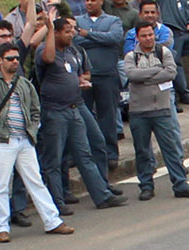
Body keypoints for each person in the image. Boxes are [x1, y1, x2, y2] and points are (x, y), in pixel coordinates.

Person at [0, 27, 73, 241]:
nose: (14, 62)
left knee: (35, 181)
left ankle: (52, 221)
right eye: (9, 58)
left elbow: (35, 110)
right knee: (1, 185)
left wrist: (32, 130)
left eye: (17, 58)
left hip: (24, 141)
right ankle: (1, 227)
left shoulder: (24, 84)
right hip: (2, 141)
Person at [37, 14, 127, 212]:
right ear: (57, 33)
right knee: (53, 159)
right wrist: (49, 29)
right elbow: (49, 59)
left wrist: (79, 80)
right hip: (55, 111)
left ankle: (102, 196)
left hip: (75, 108)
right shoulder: (46, 50)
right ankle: (57, 203)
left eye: (72, 31)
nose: (71, 35)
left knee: (84, 154)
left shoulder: (75, 51)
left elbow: (83, 72)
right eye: (66, 32)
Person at [125, 21, 189, 201]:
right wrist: (155, 71)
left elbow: (170, 73)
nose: (148, 38)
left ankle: (180, 184)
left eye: (150, 35)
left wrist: (146, 77)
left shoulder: (163, 52)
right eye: (143, 36)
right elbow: (131, 75)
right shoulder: (131, 56)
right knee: (142, 151)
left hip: (162, 109)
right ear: (137, 37)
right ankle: (146, 186)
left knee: (171, 149)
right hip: (139, 111)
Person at [73, 0, 124, 170]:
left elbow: (115, 38)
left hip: (107, 76)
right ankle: (86, 155)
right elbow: (74, 41)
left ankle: (110, 154)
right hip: (85, 77)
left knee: (107, 116)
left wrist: (88, 35)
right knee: (83, 117)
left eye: (93, 0)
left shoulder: (113, 20)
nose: (89, 3)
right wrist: (97, 39)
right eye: (86, 0)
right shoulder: (78, 21)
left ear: (101, 1)